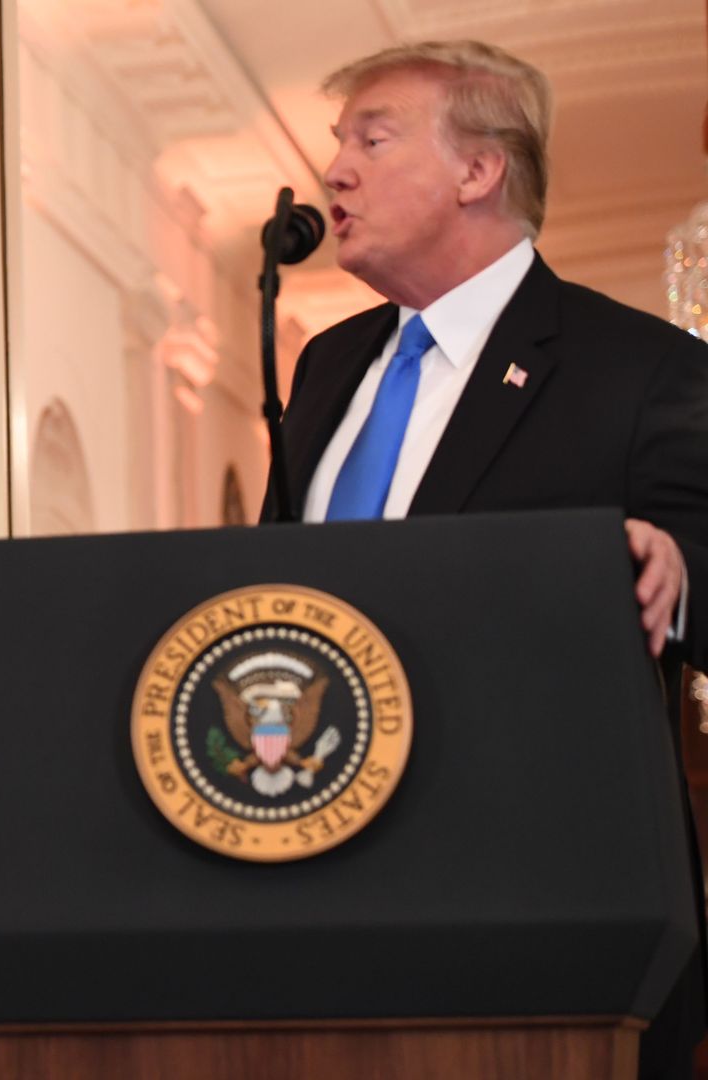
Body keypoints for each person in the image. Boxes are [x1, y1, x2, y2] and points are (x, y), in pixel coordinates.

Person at [266, 41, 708, 1078]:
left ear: (479, 171)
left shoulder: (642, 369)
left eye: (372, 139)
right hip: (315, 903)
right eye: (339, 144)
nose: (335, 170)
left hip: (552, 916)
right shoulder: (328, 367)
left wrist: (676, 568)